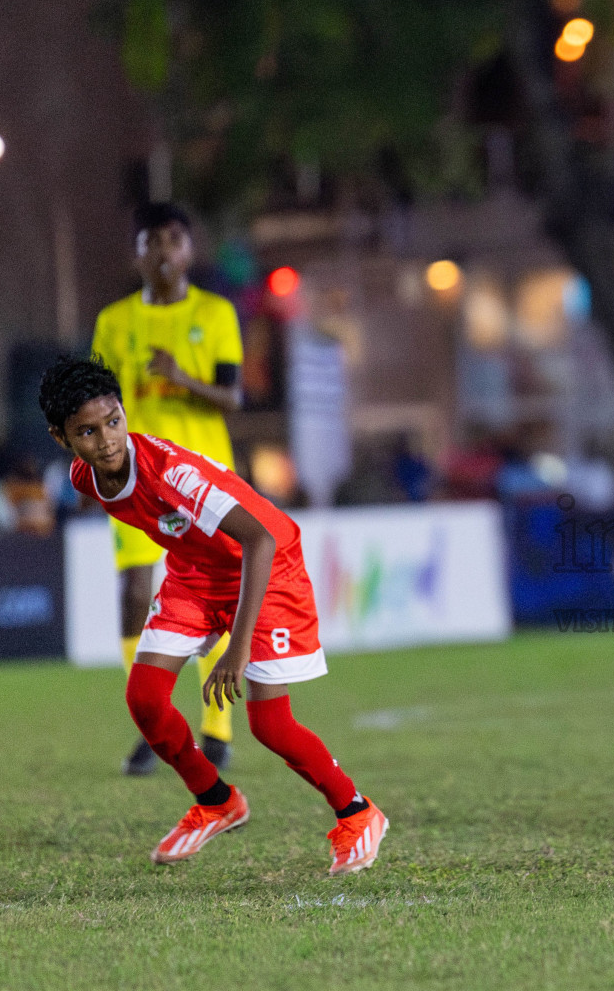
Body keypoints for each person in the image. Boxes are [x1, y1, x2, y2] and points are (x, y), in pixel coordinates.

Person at [39, 356, 388, 874]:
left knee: (270, 724)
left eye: (114, 421)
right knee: (145, 700)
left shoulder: (172, 474)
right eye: (87, 432)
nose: (107, 440)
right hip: (196, 572)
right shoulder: (85, 479)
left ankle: (358, 813)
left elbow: (260, 540)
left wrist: (236, 648)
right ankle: (217, 800)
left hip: (266, 565)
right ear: (61, 437)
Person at [92, 203, 244, 776]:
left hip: (203, 473)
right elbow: (98, 401)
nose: (163, 251)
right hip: (135, 476)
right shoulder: (114, 321)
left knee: (213, 597)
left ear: (189, 250)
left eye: (174, 239)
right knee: (136, 593)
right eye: (152, 241)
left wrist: (180, 377)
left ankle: (218, 727)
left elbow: (233, 398)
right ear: (137, 254)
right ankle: (153, 727)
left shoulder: (217, 312)